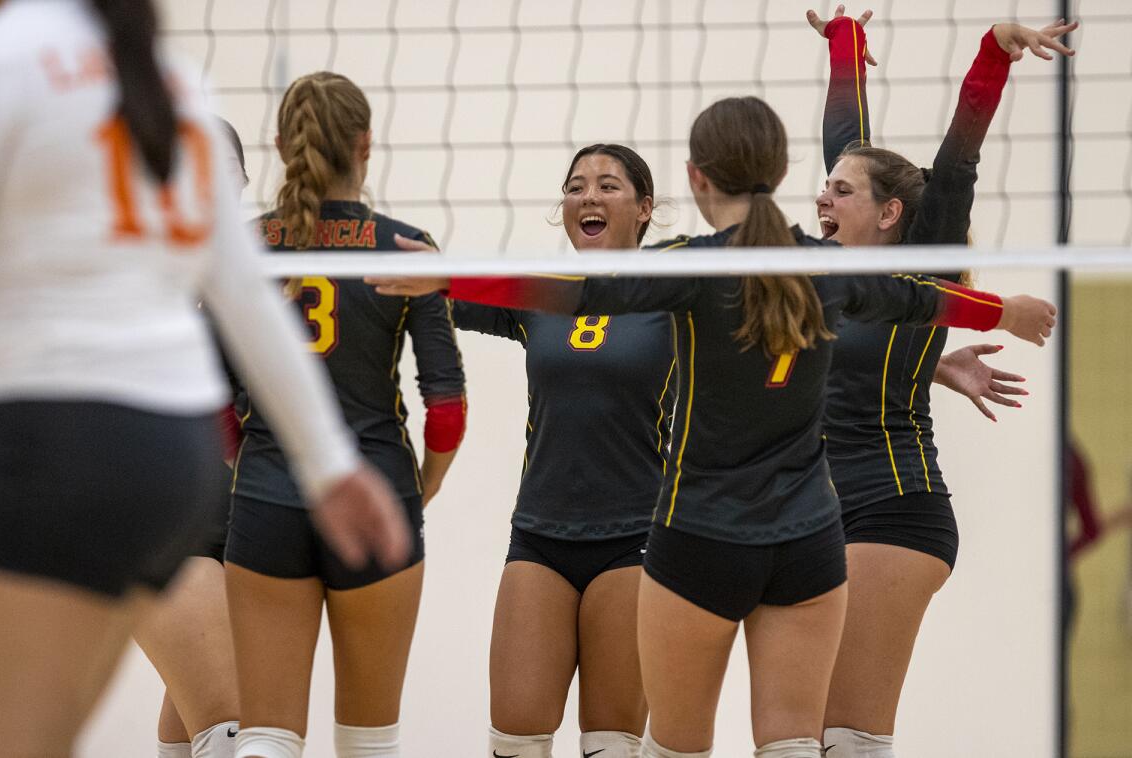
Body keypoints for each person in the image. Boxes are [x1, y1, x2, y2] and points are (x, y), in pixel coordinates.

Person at [373, 95, 1057, 757]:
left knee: (674, 747)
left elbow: (584, 289)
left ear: (692, 179)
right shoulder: (822, 270)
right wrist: (1002, 312)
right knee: (795, 745)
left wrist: (444, 279)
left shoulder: (690, 269)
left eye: (608, 184)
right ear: (783, 174)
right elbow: (912, 300)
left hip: (699, 528)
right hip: (807, 535)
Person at [0, 3, 409, 756]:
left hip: (41, 442)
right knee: (54, 732)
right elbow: (245, 290)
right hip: (171, 456)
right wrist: (331, 464)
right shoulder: (166, 79)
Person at [806, 8, 1077, 755]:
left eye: (841, 192)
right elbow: (847, 141)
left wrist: (994, 51)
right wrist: (843, 39)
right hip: (808, 506)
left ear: (891, 213)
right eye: (824, 188)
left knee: (845, 736)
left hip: (892, 508)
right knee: (795, 737)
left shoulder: (919, 263)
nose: (822, 198)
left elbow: (955, 163)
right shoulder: (826, 271)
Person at [223, 71, 466, 758]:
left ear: (281, 145)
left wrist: (247, 465)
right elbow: (445, 405)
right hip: (378, 492)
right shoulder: (406, 249)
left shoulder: (244, 247)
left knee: (266, 737)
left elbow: (213, 397)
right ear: (366, 145)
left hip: (268, 496)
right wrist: (423, 484)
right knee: (368, 742)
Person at [447, 144, 673, 758]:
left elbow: (793, 329)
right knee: (515, 743)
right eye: (576, 187)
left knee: (611, 745)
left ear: (645, 208)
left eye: (608, 186)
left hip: (636, 539)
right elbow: (439, 291)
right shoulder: (542, 294)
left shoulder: (681, 298)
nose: (588, 197)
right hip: (539, 538)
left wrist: (919, 369)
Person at [135, 116, 252, 758]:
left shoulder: (262, 278)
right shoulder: (133, 273)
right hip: (155, 525)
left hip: (245, 529)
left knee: (195, 730)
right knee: (234, 736)